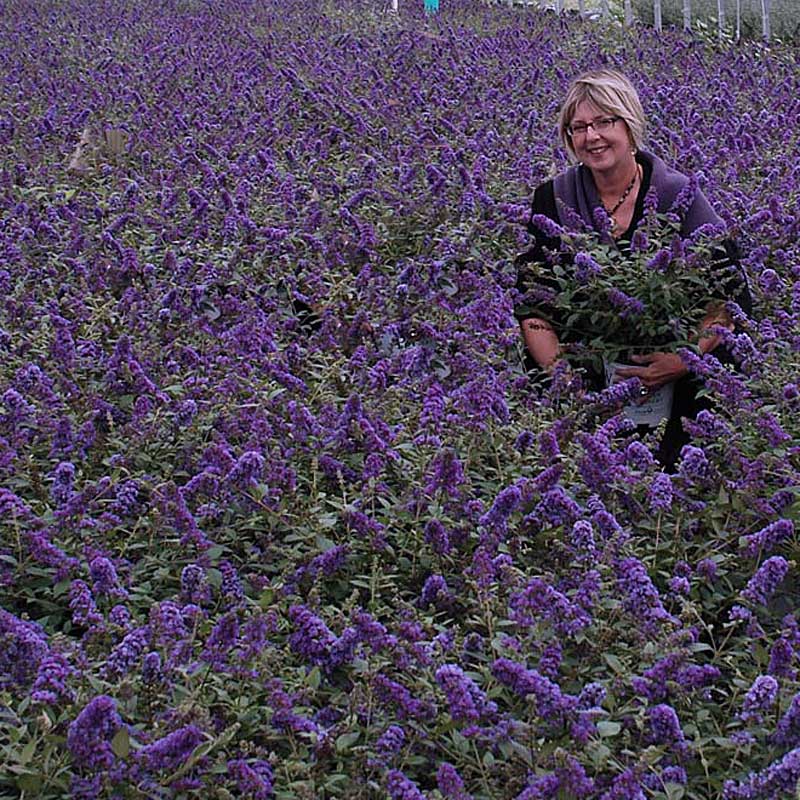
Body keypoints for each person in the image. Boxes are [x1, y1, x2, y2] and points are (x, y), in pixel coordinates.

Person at [515, 68, 751, 469]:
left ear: (630, 124)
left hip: (677, 371)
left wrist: (681, 359)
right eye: (579, 127)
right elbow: (532, 304)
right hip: (588, 369)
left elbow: (728, 296)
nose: (592, 137)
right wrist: (564, 379)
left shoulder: (678, 194)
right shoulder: (553, 199)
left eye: (605, 122)